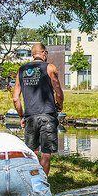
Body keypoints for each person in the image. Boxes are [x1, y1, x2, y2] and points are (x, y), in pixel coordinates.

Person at [13, 43, 64, 176]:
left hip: (30, 116)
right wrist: (60, 105)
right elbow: (58, 92)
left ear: (32, 54)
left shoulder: (21, 70)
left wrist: (21, 116)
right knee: (46, 153)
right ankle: (41, 184)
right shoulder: (50, 68)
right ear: (44, 53)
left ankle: (33, 181)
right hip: (47, 115)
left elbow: (15, 99)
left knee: (32, 153)